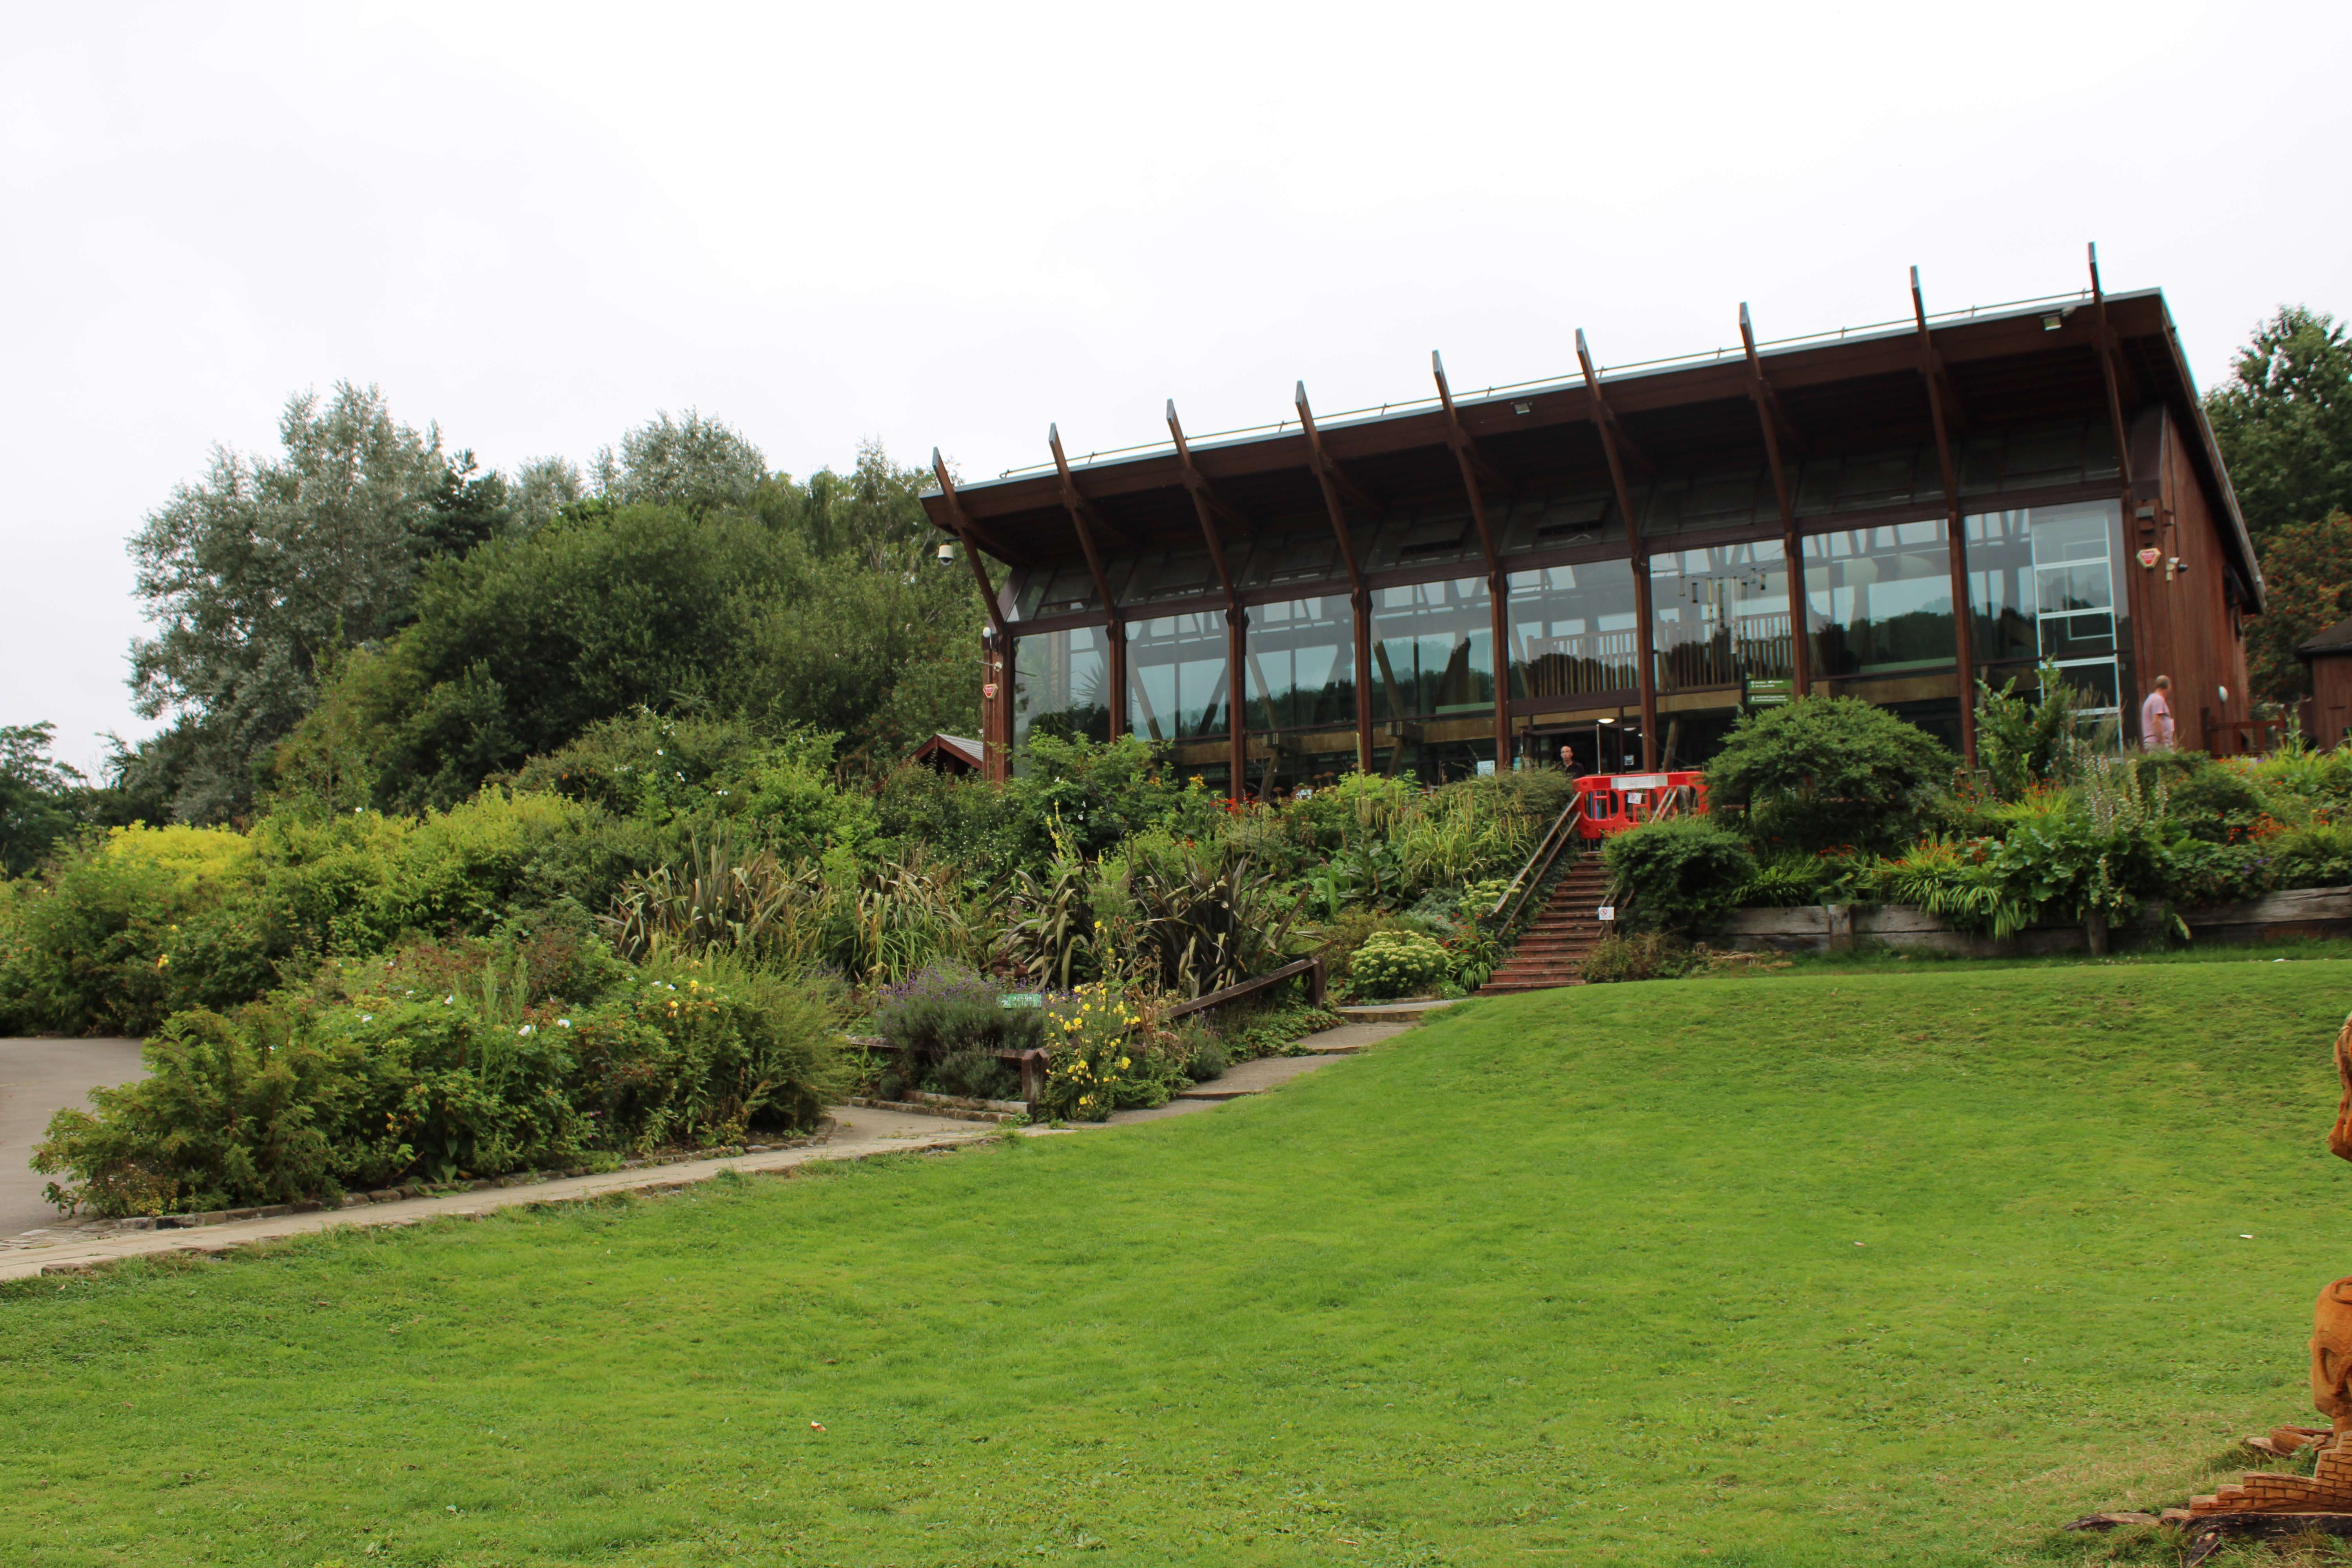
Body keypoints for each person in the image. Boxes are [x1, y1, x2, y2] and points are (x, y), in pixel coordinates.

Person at [2140, 675, 2176, 750]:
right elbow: (2156, 722)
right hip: (2157, 744)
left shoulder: (2151, 698)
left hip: (2154, 743)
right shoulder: (2158, 700)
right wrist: (2163, 742)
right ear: (2169, 686)